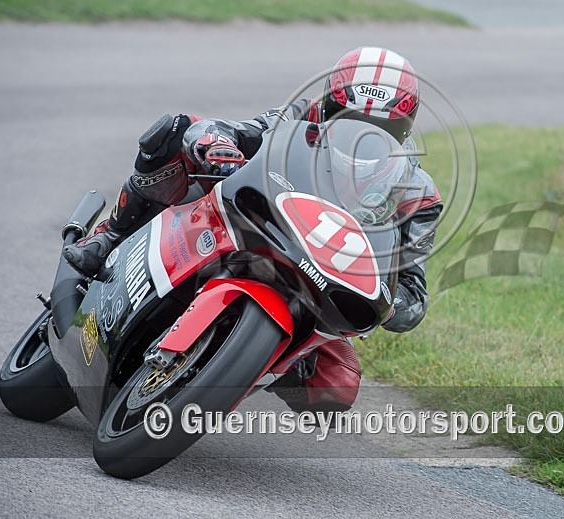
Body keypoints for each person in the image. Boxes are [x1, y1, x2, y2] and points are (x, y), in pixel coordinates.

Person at [63, 47, 442, 414]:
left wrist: (390, 301)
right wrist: (217, 146)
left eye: (380, 130)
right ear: (327, 107)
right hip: (259, 220)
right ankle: (109, 235)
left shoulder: (417, 195)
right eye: (348, 120)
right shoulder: (299, 116)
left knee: (336, 386)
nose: (360, 139)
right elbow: (228, 131)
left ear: (403, 131)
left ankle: (245, 360)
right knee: (177, 129)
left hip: (318, 280)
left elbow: (413, 290)